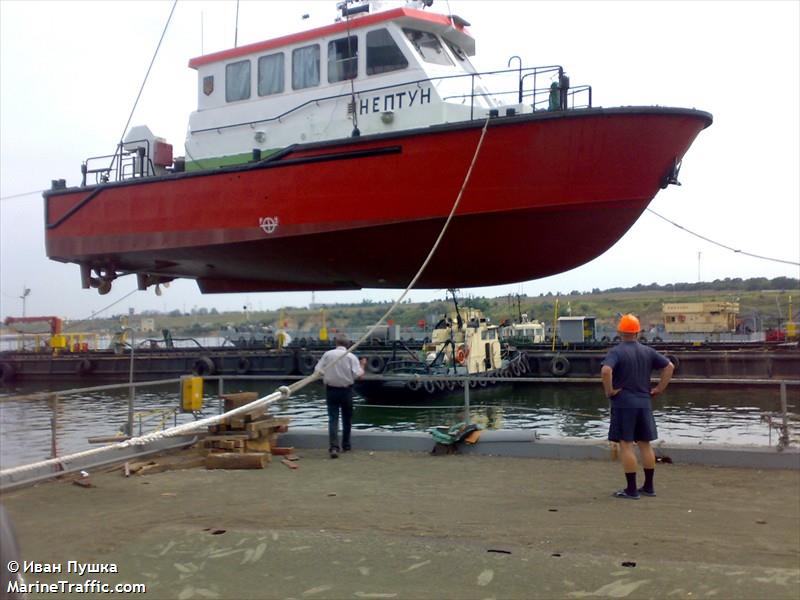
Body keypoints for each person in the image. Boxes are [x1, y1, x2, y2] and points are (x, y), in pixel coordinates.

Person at [601, 314, 674, 499]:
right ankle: (648, 487)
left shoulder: (616, 352)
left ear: (619, 332)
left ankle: (631, 490)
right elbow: (669, 366)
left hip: (624, 403)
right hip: (644, 402)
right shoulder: (647, 351)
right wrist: (659, 388)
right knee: (645, 444)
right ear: (638, 331)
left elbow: (606, 370)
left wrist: (609, 391)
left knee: (626, 445)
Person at [314, 334, 366, 458]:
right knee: (347, 419)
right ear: (347, 344)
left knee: (333, 419)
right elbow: (359, 375)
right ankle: (346, 445)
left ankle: (333, 447)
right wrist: (363, 364)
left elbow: (317, 370)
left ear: (336, 343)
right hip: (346, 391)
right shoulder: (351, 357)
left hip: (331, 390)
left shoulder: (327, 355)